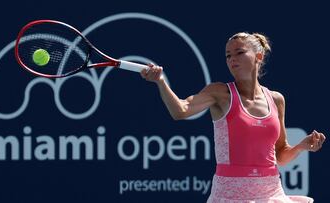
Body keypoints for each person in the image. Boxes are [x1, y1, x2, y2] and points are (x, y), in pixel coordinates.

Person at [140, 32, 326, 202]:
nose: (232, 59)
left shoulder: (277, 99)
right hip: (229, 195)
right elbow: (180, 110)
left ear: (258, 57)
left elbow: (280, 155)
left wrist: (301, 146)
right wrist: (161, 82)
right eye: (228, 55)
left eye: (239, 53)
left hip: (272, 192)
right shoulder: (219, 93)